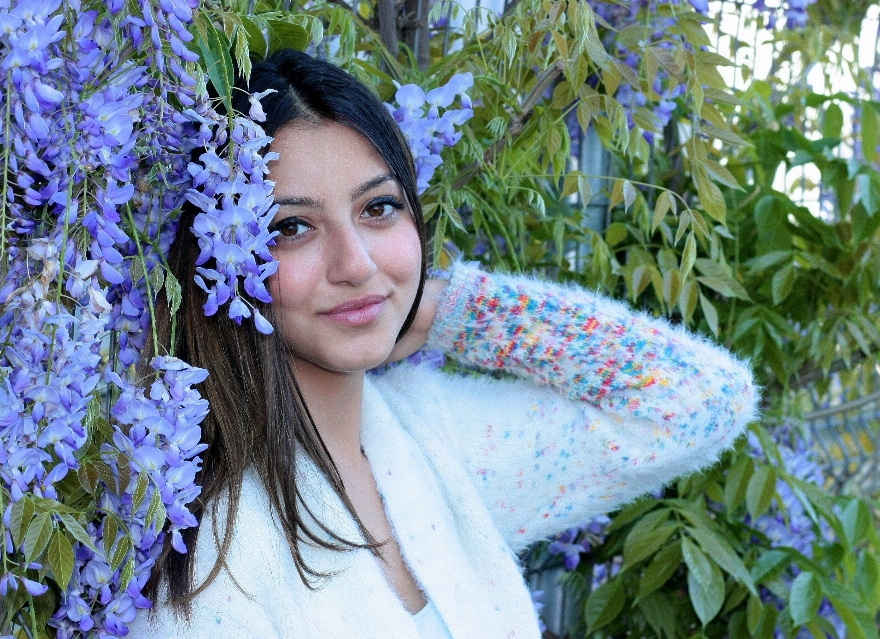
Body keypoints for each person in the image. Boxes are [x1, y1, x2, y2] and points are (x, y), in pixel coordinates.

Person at [129, 49, 758, 639]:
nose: (356, 264)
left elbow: (698, 403)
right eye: (292, 227)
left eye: (378, 210)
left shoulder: (432, 439)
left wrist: (453, 309)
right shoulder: (212, 554)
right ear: (215, 253)